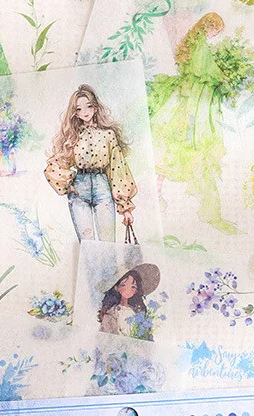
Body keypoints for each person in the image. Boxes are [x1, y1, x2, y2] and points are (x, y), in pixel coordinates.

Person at [148, 13, 239, 234]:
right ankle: (157, 195)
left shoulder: (192, 43)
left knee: (170, 148)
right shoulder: (201, 46)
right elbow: (204, 72)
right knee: (183, 147)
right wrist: (223, 78)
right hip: (189, 104)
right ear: (210, 26)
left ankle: (156, 193)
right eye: (216, 30)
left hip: (184, 98)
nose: (216, 34)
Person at [45, 85, 137, 242]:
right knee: (87, 244)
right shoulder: (72, 136)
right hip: (79, 190)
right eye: (79, 109)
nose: (85, 112)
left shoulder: (108, 134)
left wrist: (125, 208)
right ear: (75, 112)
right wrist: (67, 184)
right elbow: (56, 164)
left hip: (103, 188)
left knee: (108, 242)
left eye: (88, 106)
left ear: (95, 107)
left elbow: (117, 168)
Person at [98, 263, 160, 340]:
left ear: (136, 290)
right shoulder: (112, 313)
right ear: (116, 287)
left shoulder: (137, 311)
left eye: (133, 287)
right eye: (123, 285)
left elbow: (146, 334)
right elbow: (109, 336)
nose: (128, 290)